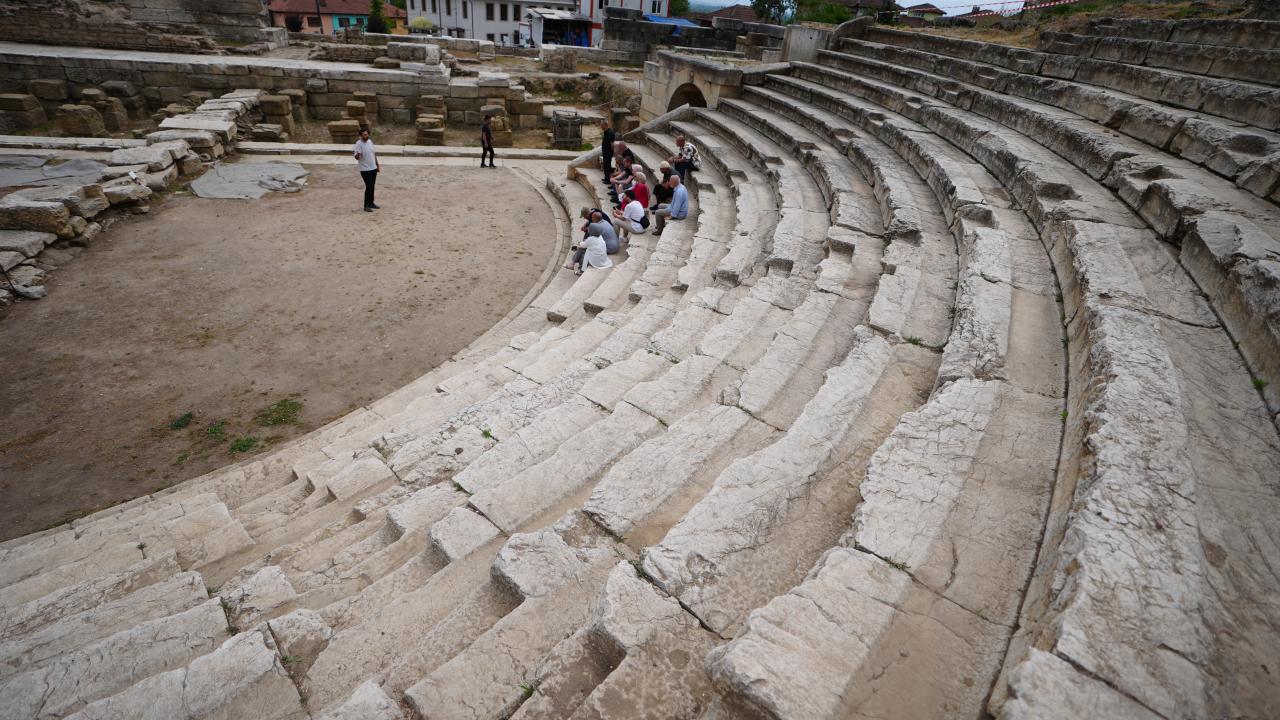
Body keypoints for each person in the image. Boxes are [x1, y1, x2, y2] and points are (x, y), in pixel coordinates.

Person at [353, 127, 380, 212]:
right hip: (365, 169)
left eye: (367, 134)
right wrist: (358, 156)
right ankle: (366, 205)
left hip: (373, 168)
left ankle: (371, 203)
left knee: (372, 186)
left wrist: (377, 165)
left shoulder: (370, 142)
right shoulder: (358, 144)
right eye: (364, 135)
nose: (366, 136)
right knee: (369, 186)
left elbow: (373, 154)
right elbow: (357, 156)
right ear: (360, 135)